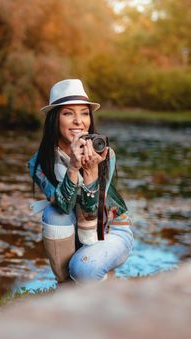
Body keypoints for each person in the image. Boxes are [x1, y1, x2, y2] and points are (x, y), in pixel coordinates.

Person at [28, 79, 133, 283]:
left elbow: (93, 212)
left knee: (84, 268)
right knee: (53, 212)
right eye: (68, 113)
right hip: (72, 230)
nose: (79, 121)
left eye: (84, 113)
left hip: (110, 230)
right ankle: (66, 283)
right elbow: (63, 206)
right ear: (54, 119)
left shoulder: (104, 154)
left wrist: (91, 171)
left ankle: (93, 271)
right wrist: (74, 168)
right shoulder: (39, 163)